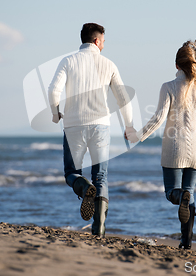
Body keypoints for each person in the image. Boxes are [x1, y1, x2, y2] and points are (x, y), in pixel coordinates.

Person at [126, 27, 196, 249]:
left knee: (172, 193)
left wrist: (138, 135)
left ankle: (181, 197)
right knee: (190, 193)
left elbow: (158, 119)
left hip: (174, 150)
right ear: (194, 64)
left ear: (176, 65)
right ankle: (186, 242)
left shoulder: (168, 87)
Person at [48, 23, 135, 237]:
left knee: (72, 173)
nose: (104, 45)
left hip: (73, 125)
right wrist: (129, 126)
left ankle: (84, 187)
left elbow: (53, 90)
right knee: (102, 178)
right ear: (96, 41)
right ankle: (99, 229)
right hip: (101, 126)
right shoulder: (109, 64)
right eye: (104, 41)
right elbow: (123, 98)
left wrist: (54, 113)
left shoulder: (68, 61)